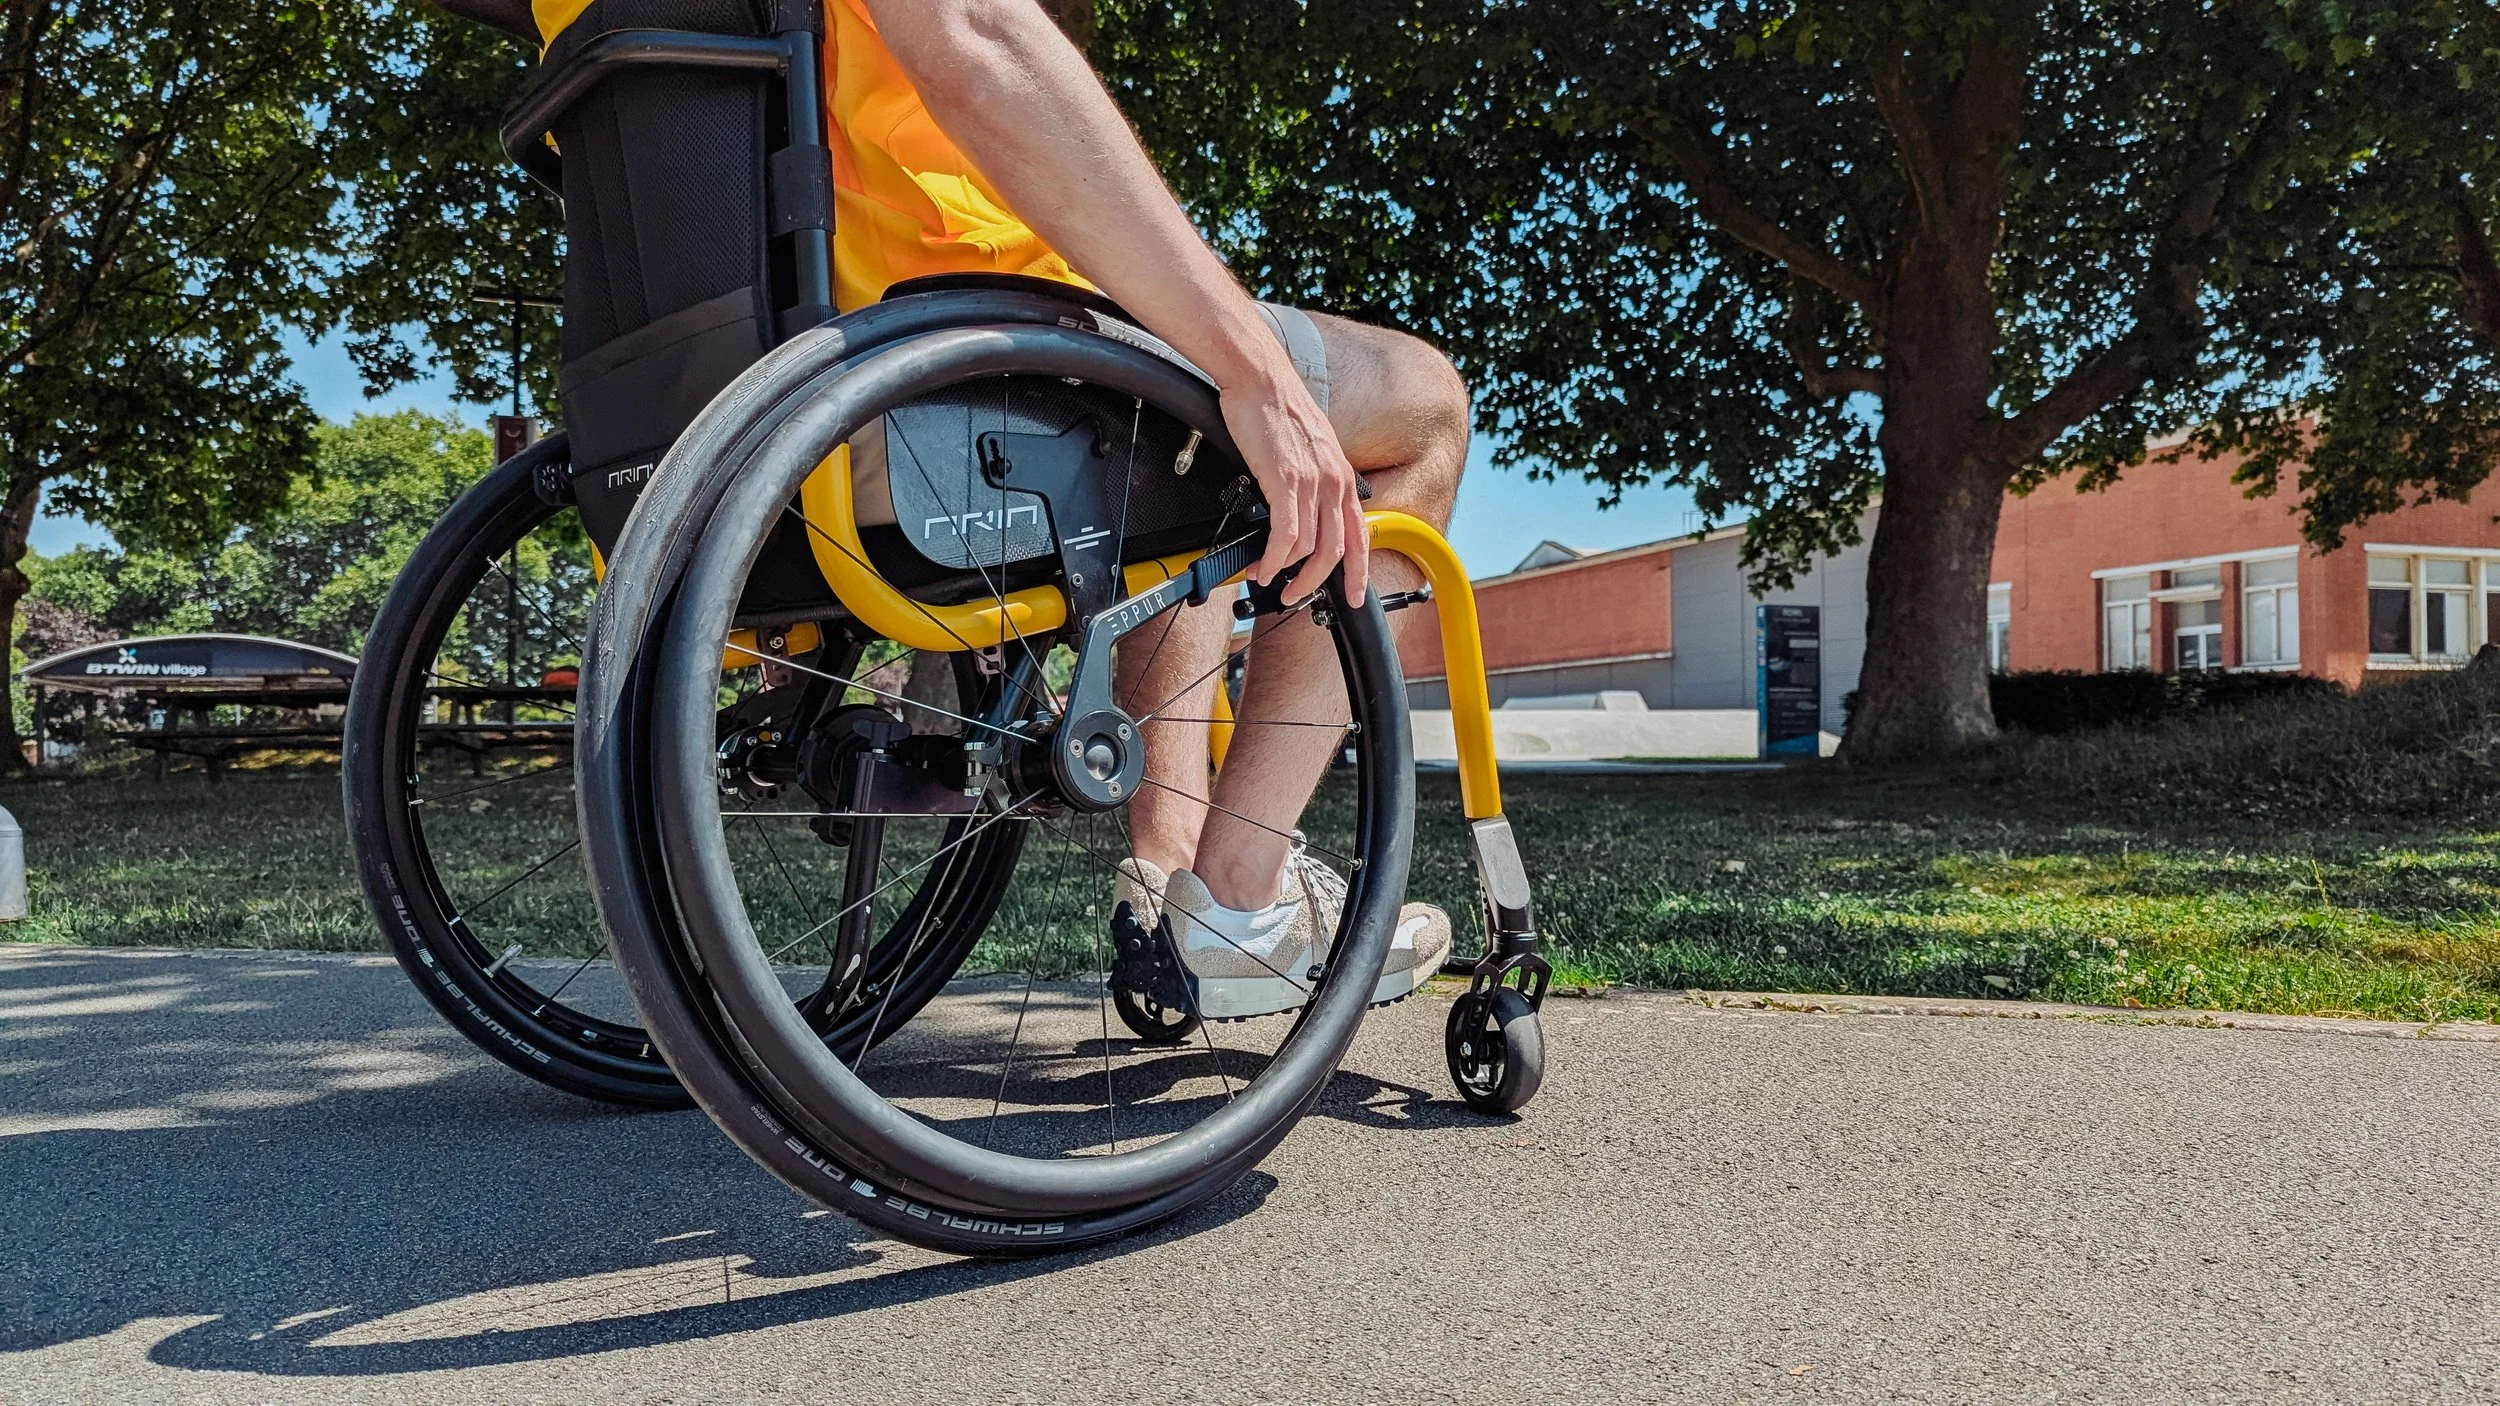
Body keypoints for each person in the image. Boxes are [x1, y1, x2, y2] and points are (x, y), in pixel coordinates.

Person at [525, 0, 1469, 1016]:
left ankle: (1172, 871)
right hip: (939, 365)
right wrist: (1250, 367)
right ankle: (1241, 897)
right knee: (1420, 402)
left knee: (1173, 469)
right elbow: (974, 37)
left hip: (723, 416)